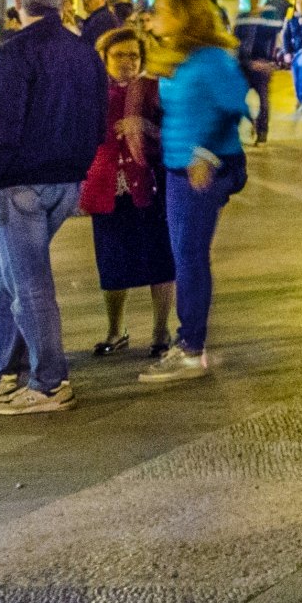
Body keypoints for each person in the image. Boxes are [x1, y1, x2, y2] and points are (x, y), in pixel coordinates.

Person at [0, 0, 104, 414]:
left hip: (18, 183)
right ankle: (4, 372)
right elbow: (98, 122)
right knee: (11, 276)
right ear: (63, 2)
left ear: (19, 4)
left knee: (29, 284)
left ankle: (48, 382)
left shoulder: (15, 52)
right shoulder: (85, 53)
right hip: (67, 181)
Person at [142, 0, 253, 382]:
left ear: (185, 16)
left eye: (161, 10)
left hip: (205, 167)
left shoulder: (211, 59)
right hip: (178, 167)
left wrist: (205, 154)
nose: (152, 15)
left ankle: (191, 347)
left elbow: (237, 105)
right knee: (185, 255)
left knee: (189, 257)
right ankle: (188, 341)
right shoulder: (179, 57)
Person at [80, 25, 175, 359]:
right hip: (107, 187)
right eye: (119, 55)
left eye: (134, 55)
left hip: (149, 185)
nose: (127, 62)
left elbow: (177, 132)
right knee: (111, 262)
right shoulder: (90, 92)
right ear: (104, 57)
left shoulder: (155, 90)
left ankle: (161, 331)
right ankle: (114, 330)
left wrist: (148, 128)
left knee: (161, 261)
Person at [232, 0, 283, 147]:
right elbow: (235, 39)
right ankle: (246, 124)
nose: (252, 0)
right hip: (244, 65)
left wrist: (270, 61)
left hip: (262, 66)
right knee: (237, 98)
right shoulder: (242, 17)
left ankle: (262, 132)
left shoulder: (268, 16)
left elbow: (275, 36)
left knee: (263, 101)